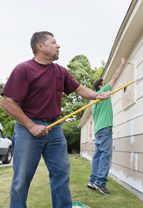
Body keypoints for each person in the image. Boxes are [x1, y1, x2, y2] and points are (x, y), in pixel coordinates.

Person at [1, 31, 109, 208]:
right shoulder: (24, 69)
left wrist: (97, 95)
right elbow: (7, 102)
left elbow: (79, 88)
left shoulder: (60, 71)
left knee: (61, 173)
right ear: (40, 46)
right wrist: (31, 125)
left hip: (55, 129)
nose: (58, 45)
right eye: (54, 42)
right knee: (21, 178)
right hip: (27, 129)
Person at [86, 58, 127, 195]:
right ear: (101, 85)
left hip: (98, 131)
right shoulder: (103, 91)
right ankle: (100, 183)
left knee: (98, 156)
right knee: (106, 155)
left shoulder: (93, 101)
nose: (107, 83)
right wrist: (122, 64)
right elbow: (115, 77)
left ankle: (92, 181)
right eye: (104, 82)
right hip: (104, 129)